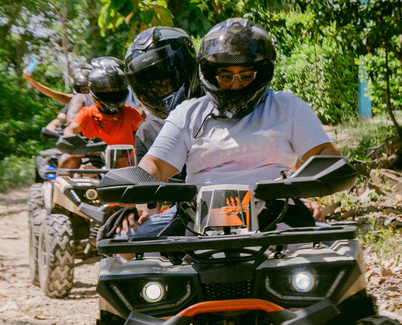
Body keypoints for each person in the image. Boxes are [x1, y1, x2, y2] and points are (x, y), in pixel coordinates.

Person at [115, 18, 339, 236]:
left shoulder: (288, 107)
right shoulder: (188, 114)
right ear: (211, 74)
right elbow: (155, 164)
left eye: (245, 75)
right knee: (128, 259)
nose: (236, 84)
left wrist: (305, 185)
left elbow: (324, 154)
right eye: (226, 76)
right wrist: (144, 191)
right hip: (197, 223)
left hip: (279, 217)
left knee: (337, 263)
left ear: (261, 72)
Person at [124, 26, 200, 161]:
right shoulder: (148, 132)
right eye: (151, 84)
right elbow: (146, 178)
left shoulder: (218, 113)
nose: (159, 86)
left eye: (165, 79)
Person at [59, 58, 144, 169]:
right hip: (95, 162)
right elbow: (71, 129)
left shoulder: (130, 112)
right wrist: (71, 138)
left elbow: (144, 128)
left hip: (125, 164)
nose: (111, 94)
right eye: (106, 92)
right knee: (68, 159)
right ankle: (58, 185)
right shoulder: (87, 113)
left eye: (115, 91)